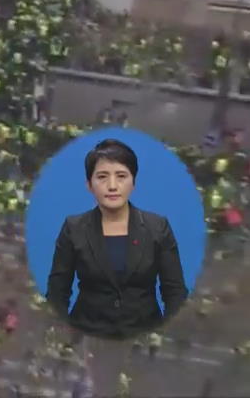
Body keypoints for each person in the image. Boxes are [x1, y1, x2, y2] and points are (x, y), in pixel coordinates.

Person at [46, 139, 189, 339]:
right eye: (102, 177)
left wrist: (164, 335)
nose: (112, 186)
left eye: (121, 176)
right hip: (86, 335)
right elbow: (57, 292)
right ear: (89, 185)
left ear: (133, 182)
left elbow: (175, 292)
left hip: (143, 335)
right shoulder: (74, 228)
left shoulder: (157, 227)